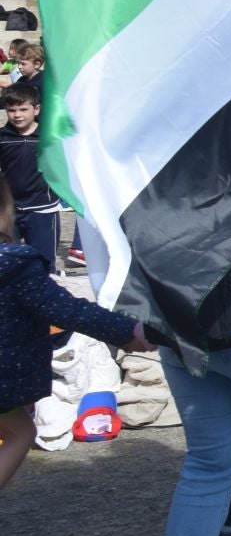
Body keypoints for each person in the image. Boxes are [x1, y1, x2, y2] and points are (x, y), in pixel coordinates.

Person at [0, 180, 150, 494]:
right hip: (4, 382)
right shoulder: (15, 265)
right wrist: (127, 333)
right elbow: (68, 311)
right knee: (20, 433)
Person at [0, 87, 59, 267]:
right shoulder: (2, 137)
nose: (17, 115)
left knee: (45, 265)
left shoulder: (50, 137)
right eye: (12, 110)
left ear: (37, 109)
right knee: (7, 265)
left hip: (42, 209)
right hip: (9, 211)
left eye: (23, 109)